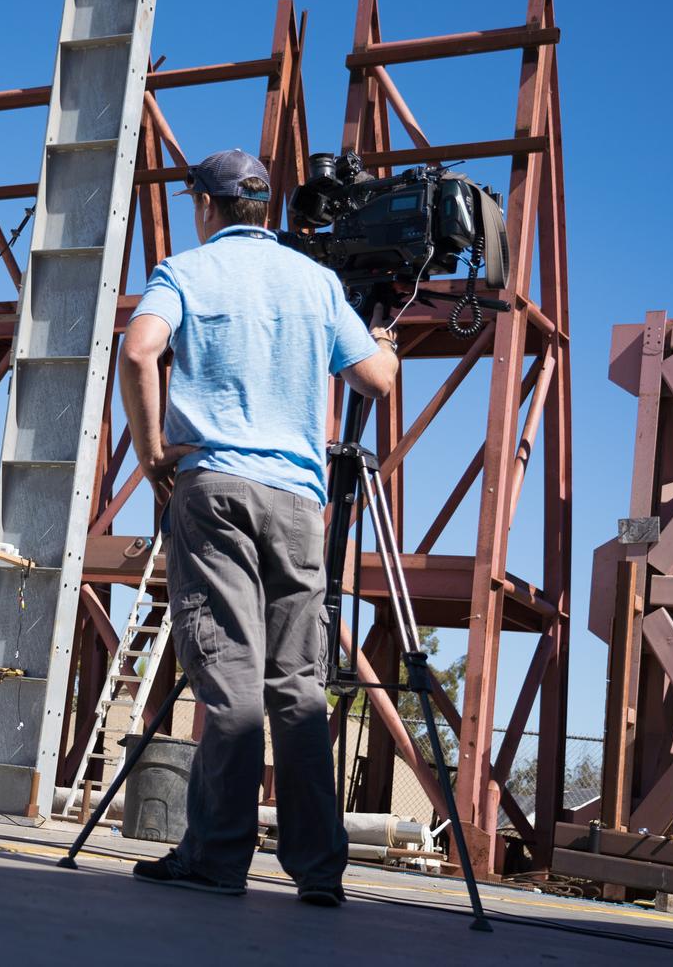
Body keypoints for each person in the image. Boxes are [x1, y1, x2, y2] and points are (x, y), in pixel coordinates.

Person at [117, 149, 399, 905]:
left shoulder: (186, 270)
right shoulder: (317, 281)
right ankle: (318, 871)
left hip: (216, 488)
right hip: (300, 503)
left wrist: (151, 454)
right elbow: (374, 376)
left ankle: (217, 858)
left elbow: (140, 350)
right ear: (263, 208)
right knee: (297, 686)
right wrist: (388, 346)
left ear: (207, 207)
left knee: (230, 677)